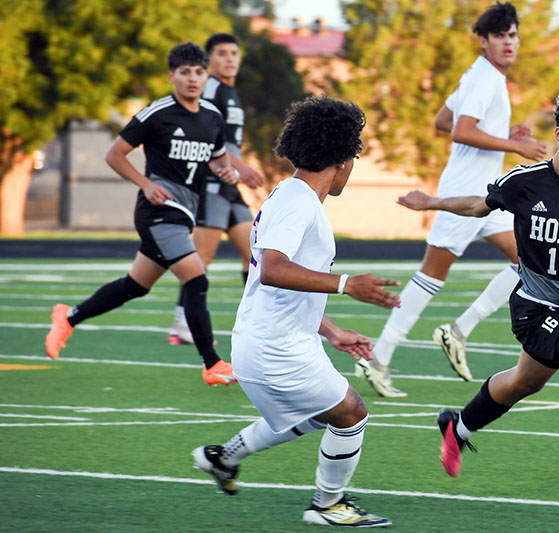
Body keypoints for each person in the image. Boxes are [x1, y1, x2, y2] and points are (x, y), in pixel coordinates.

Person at [397, 90, 559, 496]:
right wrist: (430, 202)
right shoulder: (525, 181)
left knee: (523, 383)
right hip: (534, 306)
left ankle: (457, 428)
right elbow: (478, 206)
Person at [192, 96, 400, 527]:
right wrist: (347, 285)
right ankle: (327, 505)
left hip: (269, 340)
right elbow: (273, 270)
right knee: (351, 413)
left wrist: (331, 330)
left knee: (313, 415)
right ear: (342, 159)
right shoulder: (299, 201)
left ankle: (223, 458)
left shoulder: (291, 195)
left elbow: (280, 282)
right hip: (274, 347)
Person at [357, 1, 548, 398]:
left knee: (532, 261)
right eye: (500, 36)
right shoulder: (484, 79)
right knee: (429, 278)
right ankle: (377, 358)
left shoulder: (481, 76)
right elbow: (460, 131)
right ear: (483, 41)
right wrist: (514, 145)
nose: (509, 42)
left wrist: (503, 133)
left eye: (513, 34)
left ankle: (457, 330)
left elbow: (442, 121)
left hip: (487, 194)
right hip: (466, 191)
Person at [45, 42, 239, 386]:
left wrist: (228, 172)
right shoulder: (157, 113)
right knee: (196, 279)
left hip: (184, 213)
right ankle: (212, 363)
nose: (192, 79)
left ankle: (68, 317)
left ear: (205, 75)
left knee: (135, 286)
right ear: (171, 76)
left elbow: (218, 158)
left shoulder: (212, 116)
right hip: (157, 211)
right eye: (184, 72)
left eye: (198, 72)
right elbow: (115, 154)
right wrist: (146, 183)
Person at [167, 32, 265, 345]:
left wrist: (237, 168)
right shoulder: (210, 88)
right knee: (202, 256)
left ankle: (257, 320)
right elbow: (203, 132)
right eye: (222, 53)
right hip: (211, 181)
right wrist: (241, 166)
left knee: (255, 250)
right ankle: (182, 323)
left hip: (228, 183)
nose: (230, 59)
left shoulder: (229, 92)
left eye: (234, 53)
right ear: (210, 61)